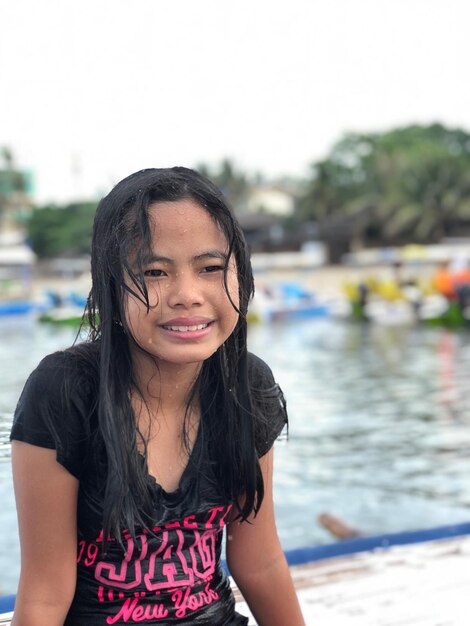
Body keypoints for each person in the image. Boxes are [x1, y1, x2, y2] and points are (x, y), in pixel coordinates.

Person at [10, 167, 305, 626]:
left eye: (210, 268)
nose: (187, 295)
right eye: (154, 271)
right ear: (111, 285)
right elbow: (46, 593)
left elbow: (259, 561)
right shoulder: (64, 393)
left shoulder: (246, 386)